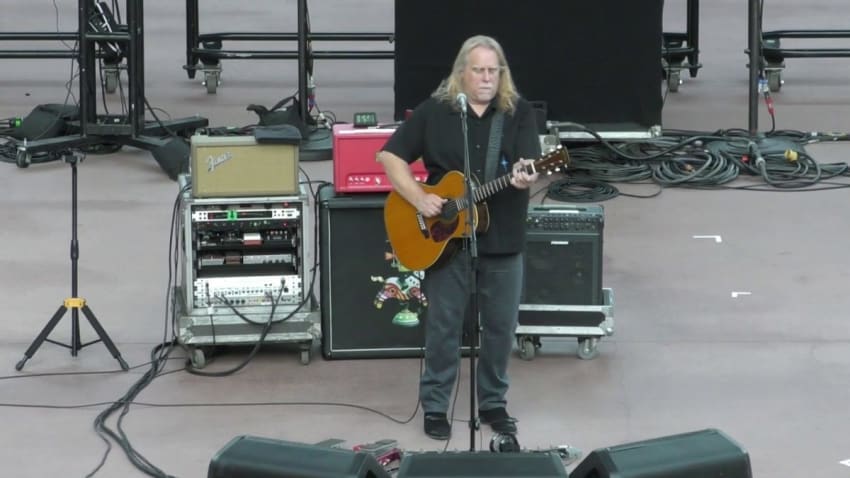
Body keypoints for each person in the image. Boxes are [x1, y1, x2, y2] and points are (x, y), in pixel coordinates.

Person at [377, 34, 541, 440]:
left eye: (493, 71)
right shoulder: (437, 112)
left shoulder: (517, 113)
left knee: (501, 328)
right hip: (445, 243)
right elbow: (389, 155)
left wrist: (527, 174)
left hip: (503, 240)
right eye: (479, 70)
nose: (487, 78)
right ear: (461, 74)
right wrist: (418, 198)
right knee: (444, 327)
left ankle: (493, 403)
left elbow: (529, 163)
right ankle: (435, 406)